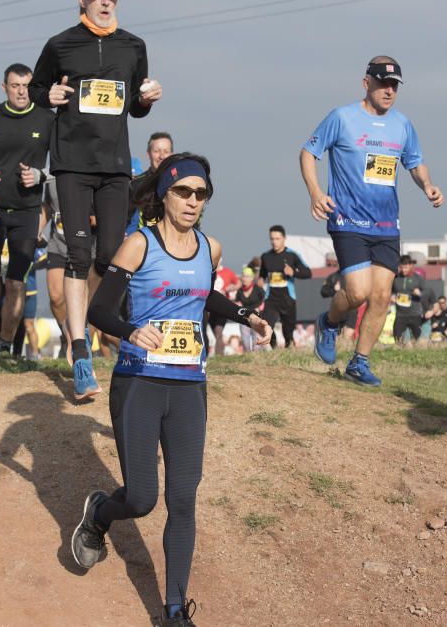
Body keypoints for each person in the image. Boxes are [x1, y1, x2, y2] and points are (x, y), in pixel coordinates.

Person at [76, 153, 272, 626]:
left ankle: (175, 611)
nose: (192, 201)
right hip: (139, 383)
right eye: (184, 191)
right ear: (165, 194)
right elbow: (99, 310)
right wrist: (130, 330)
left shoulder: (210, 248)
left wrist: (247, 316)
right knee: (142, 499)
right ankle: (100, 513)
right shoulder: (138, 245)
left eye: (201, 194)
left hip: (189, 387)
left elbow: (206, 294)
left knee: (183, 499)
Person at [29, 0, 162, 400]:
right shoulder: (60, 44)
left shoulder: (133, 46)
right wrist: (47, 96)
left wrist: (146, 99)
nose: (106, 2)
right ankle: (80, 351)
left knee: (110, 255)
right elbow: (36, 89)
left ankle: (103, 324)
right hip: (71, 163)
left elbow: (136, 106)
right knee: (77, 254)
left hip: (115, 166)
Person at [305, 56, 443, 385]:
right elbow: (308, 153)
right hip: (348, 220)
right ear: (366, 83)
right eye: (383, 83)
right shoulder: (342, 117)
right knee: (358, 292)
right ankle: (328, 323)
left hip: (386, 225)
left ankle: (359, 362)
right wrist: (315, 193)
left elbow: (415, 162)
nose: (389, 90)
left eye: (394, 85)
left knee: (381, 297)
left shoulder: (402, 125)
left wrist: (427, 184)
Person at [0, 63, 54, 358]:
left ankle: (4, 349)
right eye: (15, 85)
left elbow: (62, 163)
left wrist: (39, 176)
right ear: (3, 87)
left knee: (17, 283)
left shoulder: (47, 119)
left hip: (27, 211)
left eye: (26, 85)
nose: (21, 91)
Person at [258, 225, 311, 349]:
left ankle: (289, 350)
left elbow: (308, 273)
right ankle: (274, 349)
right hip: (271, 298)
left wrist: (293, 273)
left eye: (277, 239)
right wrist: (260, 279)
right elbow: (263, 274)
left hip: (288, 298)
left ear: (284, 238)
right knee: (266, 327)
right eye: (272, 239)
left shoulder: (292, 255)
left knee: (288, 332)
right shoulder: (266, 256)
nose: (274, 242)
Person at [127, 131, 174, 235]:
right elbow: (124, 219)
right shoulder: (135, 185)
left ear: (172, 155)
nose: (161, 156)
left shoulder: (180, 183)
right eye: (156, 151)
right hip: (143, 240)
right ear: (148, 154)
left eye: (166, 151)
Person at [392, 254, 428, 345]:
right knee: (397, 339)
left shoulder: (418, 279)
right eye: (401, 267)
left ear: (411, 266)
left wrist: (419, 293)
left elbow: (428, 293)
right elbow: (390, 291)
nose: (403, 270)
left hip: (415, 314)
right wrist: (391, 297)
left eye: (406, 267)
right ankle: (399, 352)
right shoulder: (396, 278)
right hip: (400, 314)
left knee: (417, 341)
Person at [234, 266, 266, 352]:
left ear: (252, 278)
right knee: (245, 342)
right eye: (243, 276)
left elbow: (265, 300)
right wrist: (238, 305)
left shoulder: (258, 289)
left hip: (257, 318)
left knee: (257, 343)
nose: (244, 278)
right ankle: (247, 356)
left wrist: (259, 308)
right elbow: (237, 302)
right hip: (244, 318)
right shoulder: (240, 291)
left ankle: (256, 357)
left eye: (247, 276)